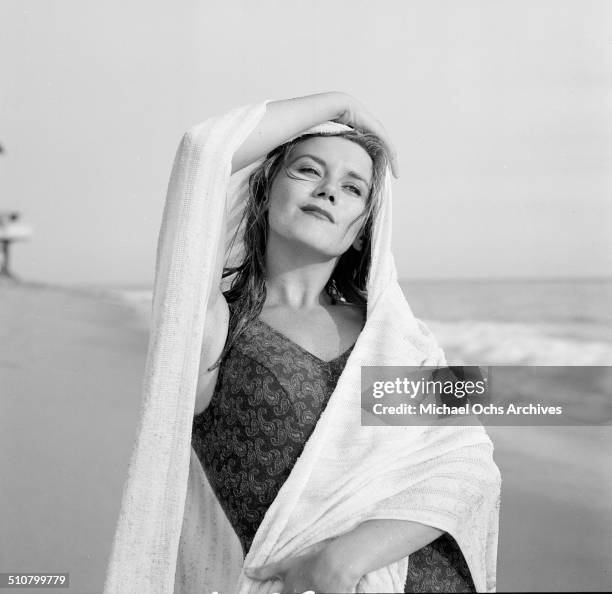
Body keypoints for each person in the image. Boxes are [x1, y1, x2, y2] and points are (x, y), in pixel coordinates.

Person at [190, 92, 478, 593]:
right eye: (307, 170)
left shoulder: (389, 332)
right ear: (264, 192)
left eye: (352, 188)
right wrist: (340, 105)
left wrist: (343, 560)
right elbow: (202, 157)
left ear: (364, 230)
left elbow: (463, 463)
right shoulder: (215, 324)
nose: (328, 191)